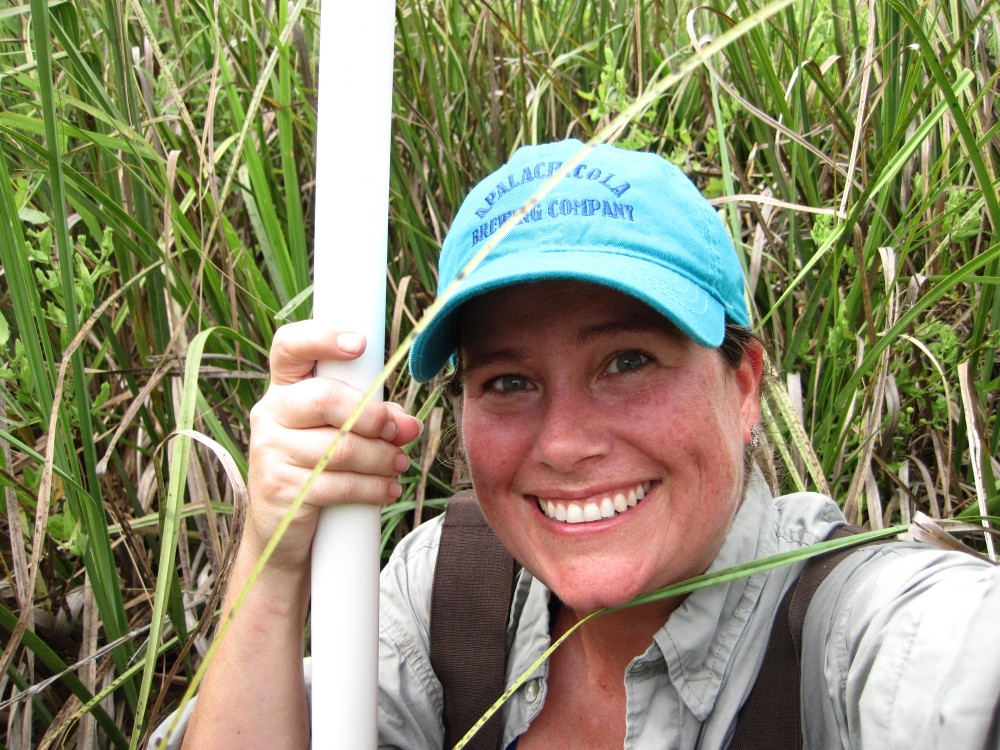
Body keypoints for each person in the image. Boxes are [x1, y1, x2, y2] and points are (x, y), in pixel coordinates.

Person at [154, 140, 1000, 749]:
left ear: (745, 386)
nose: (562, 443)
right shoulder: (448, 591)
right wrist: (273, 560)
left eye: (627, 362)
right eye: (509, 381)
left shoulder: (855, 632)